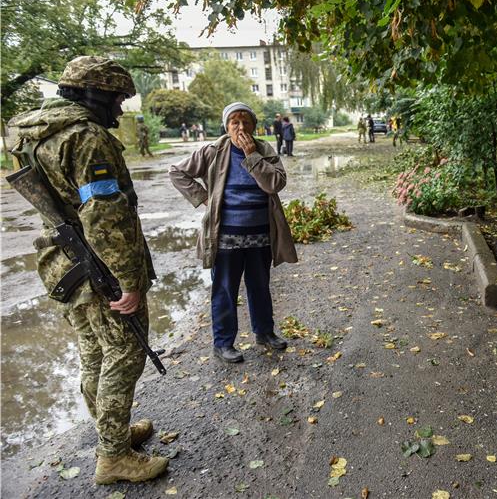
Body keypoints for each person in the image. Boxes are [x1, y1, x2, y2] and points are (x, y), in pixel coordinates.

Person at [8, 56, 168, 483]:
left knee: (95, 352)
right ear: (94, 94)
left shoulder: (35, 133)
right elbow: (104, 216)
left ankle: (110, 433)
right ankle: (113, 456)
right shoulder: (85, 137)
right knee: (124, 354)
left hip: (62, 264)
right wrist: (129, 282)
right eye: (116, 99)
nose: (119, 110)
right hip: (98, 266)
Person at [169, 102, 298, 363]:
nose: (241, 127)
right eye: (234, 122)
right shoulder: (213, 150)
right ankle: (223, 343)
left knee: (260, 286)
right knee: (225, 289)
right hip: (226, 235)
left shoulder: (263, 149)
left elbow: (276, 183)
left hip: (260, 233)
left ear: (254, 125)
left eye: (246, 122)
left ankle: (264, 332)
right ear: (226, 126)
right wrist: (206, 199)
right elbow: (177, 172)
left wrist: (252, 157)